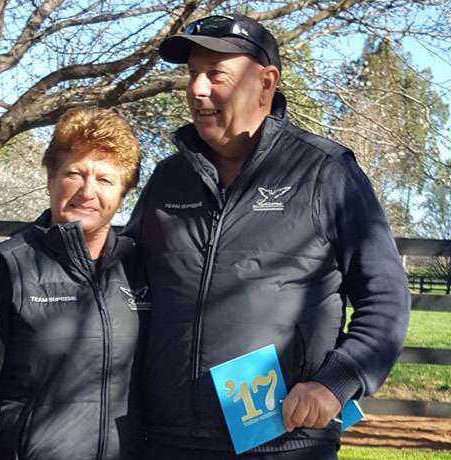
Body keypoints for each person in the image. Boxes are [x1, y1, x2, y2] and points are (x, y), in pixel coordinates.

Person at [124, 13, 410, 459]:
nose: (197, 89)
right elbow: (122, 284)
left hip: (284, 440)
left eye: (215, 74)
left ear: (265, 83)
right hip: (166, 439)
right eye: (192, 74)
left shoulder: (324, 172)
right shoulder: (168, 179)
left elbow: (386, 298)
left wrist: (334, 384)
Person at [0, 108, 150, 460]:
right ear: (51, 178)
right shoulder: (5, 268)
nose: (87, 191)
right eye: (74, 173)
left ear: (123, 193)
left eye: (105, 180)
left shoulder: (140, 269)